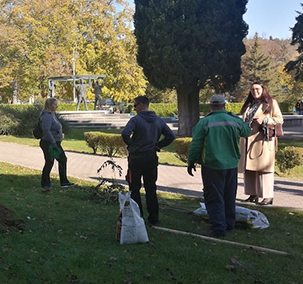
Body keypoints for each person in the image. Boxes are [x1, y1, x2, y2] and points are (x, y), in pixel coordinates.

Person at [187, 95, 251, 238]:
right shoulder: (234, 121)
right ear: (224, 106)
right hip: (231, 165)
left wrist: (191, 161)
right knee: (229, 196)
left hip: (212, 165)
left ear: (210, 107)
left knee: (214, 197)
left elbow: (196, 144)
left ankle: (218, 228)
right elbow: (247, 131)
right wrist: (237, 117)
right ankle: (229, 224)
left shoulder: (205, 122)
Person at [121, 95, 175, 226]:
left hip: (137, 158)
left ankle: (138, 217)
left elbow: (125, 133)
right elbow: (170, 135)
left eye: (135, 106)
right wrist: (159, 145)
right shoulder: (158, 120)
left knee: (134, 187)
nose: (134, 108)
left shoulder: (136, 120)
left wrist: (132, 145)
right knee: (151, 187)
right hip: (151, 157)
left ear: (140, 105)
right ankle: (154, 218)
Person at [239, 82, 283, 206]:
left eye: (257, 89)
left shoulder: (271, 102)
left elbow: (280, 119)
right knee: (249, 169)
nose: (255, 92)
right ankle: (253, 194)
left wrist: (265, 119)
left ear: (263, 90)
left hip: (263, 140)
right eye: (252, 90)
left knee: (264, 169)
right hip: (248, 140)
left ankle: (268, 196)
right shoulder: (249, 104)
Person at [39, 98, 74, 192]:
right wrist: (53, 141)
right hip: (49, 142)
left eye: (56, 104)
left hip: (55, 142)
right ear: (49, 105)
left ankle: (64, 181)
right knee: (50, 162)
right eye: (54, 104)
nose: (56, 106)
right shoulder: (47, 116)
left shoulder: (52, 115)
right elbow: (46, 130)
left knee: (62, 160)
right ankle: (45, 184)